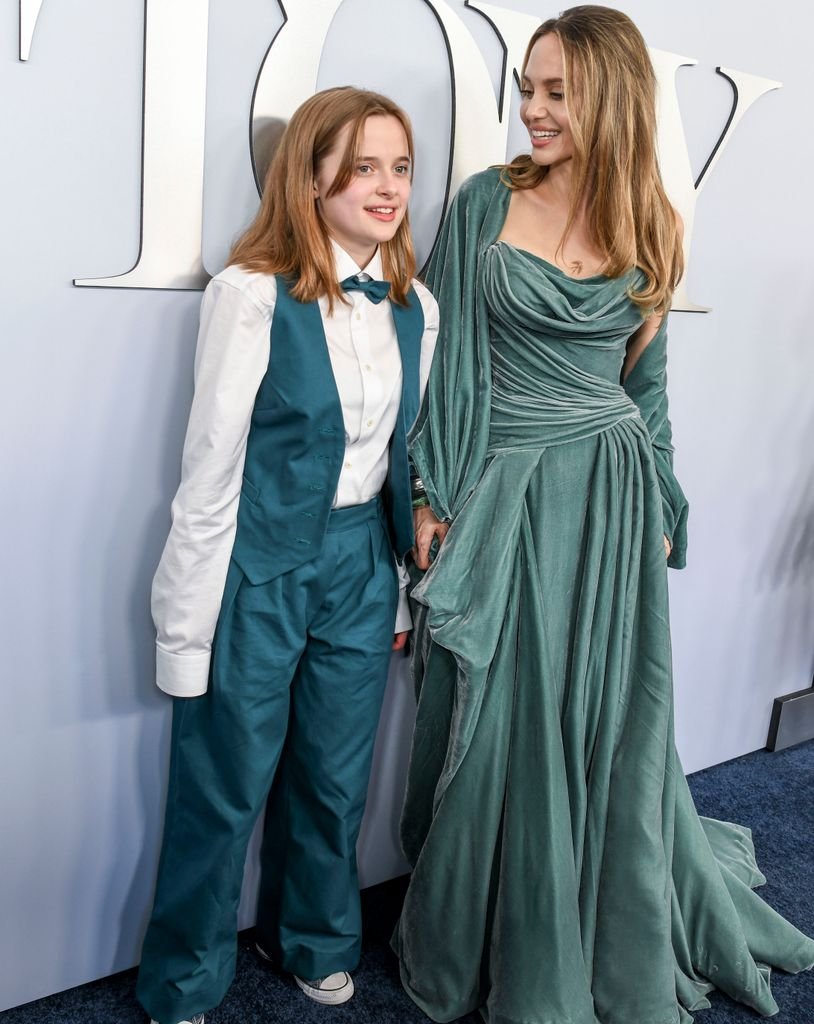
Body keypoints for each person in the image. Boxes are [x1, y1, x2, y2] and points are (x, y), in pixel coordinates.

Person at [393, 8, 814, 1023]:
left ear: (611, 98)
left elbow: (647, 385)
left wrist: (664, 495)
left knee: (611, 719)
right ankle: (504, 919)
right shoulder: (486, 203)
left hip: (610, 498)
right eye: (526, 89)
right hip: (506, 491)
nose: (530, 110)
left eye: (555, 92)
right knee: (499, 717)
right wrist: (429, 488)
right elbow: (448, 363)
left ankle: (599, 905)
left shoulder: (653, 223)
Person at [135, 86, 439, 1024]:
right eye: (361, 165)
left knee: (335, 778)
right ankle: (184, 977)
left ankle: (309, 936)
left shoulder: (414, 303)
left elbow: (399, 462)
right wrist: (184, 631)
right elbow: (209, 473)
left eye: (399, 166)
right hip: (258, 565)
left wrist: (392, 596)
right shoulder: (250, 294)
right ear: (311, 178)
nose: (386, 187)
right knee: (223, 785)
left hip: (360, 566)